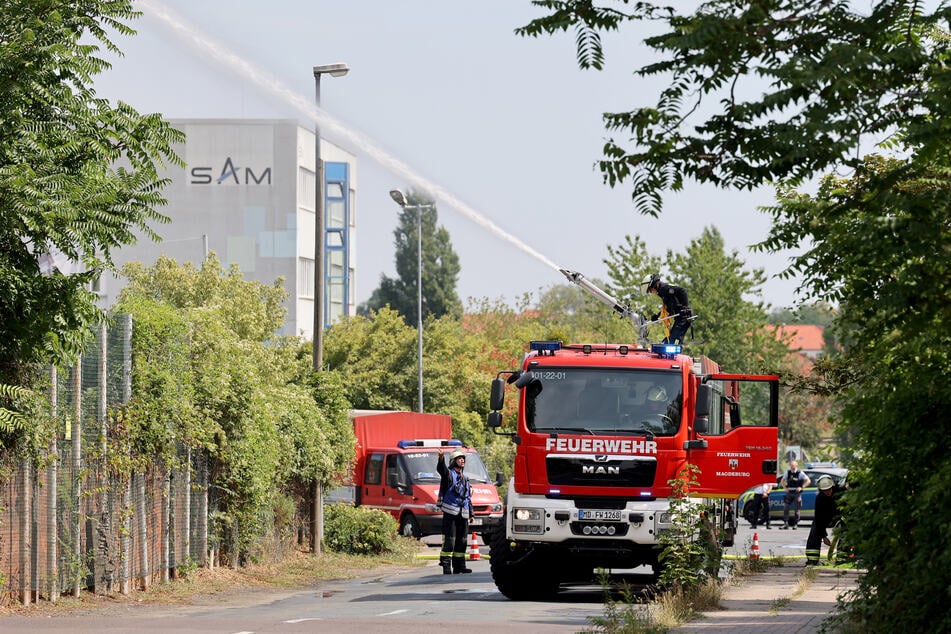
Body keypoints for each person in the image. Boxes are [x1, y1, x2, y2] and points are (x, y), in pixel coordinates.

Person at [436, 449, 473, 574]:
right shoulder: (449, 475)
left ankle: (459, 566)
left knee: (462, 540)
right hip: (450, 512)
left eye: (463, 458)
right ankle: (446, 565)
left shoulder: (466, 479)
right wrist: (441, 459)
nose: (462, 460)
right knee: (449, 540)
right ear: (453, 461)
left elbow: (468, 497)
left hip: (464, 513)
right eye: (459, 458)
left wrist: (471, 513)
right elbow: (442, 470)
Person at [645, 274, 691, 345]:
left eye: (650, 290)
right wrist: (658, 316)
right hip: (679, 318)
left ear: (655, 285)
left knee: (673, 341)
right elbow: (669, 309)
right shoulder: (662, 292)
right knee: (668, 341)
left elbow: (682, 291)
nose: (650, 292)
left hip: (684, 317)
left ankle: (675, 353)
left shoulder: (665, 288)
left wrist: (685, 307)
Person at [805, 475, 840, 565]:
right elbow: (819, 519)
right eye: (825, 490)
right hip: (825, 518)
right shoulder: (819, 499)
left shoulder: (840, 491)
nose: (828, 492)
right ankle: (812, 560)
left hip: (840, 516)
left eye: (829, 489)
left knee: (848, 531)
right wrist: (824, 536)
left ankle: (843, 558)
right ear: (821, 489)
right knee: (815, 532)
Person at [780, 460, 811, 529]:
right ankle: (786, 523)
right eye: (791, 465)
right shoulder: (787, 472)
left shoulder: (800, 473)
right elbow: (782, 480)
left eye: (793, 465)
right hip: (789, 492)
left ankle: (795, 524)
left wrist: (802, 487)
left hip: (797, 493)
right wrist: (785, 488)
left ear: (796, 465)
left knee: (797, 509)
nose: (792, 466)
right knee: (786, 507)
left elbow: (808, 480)